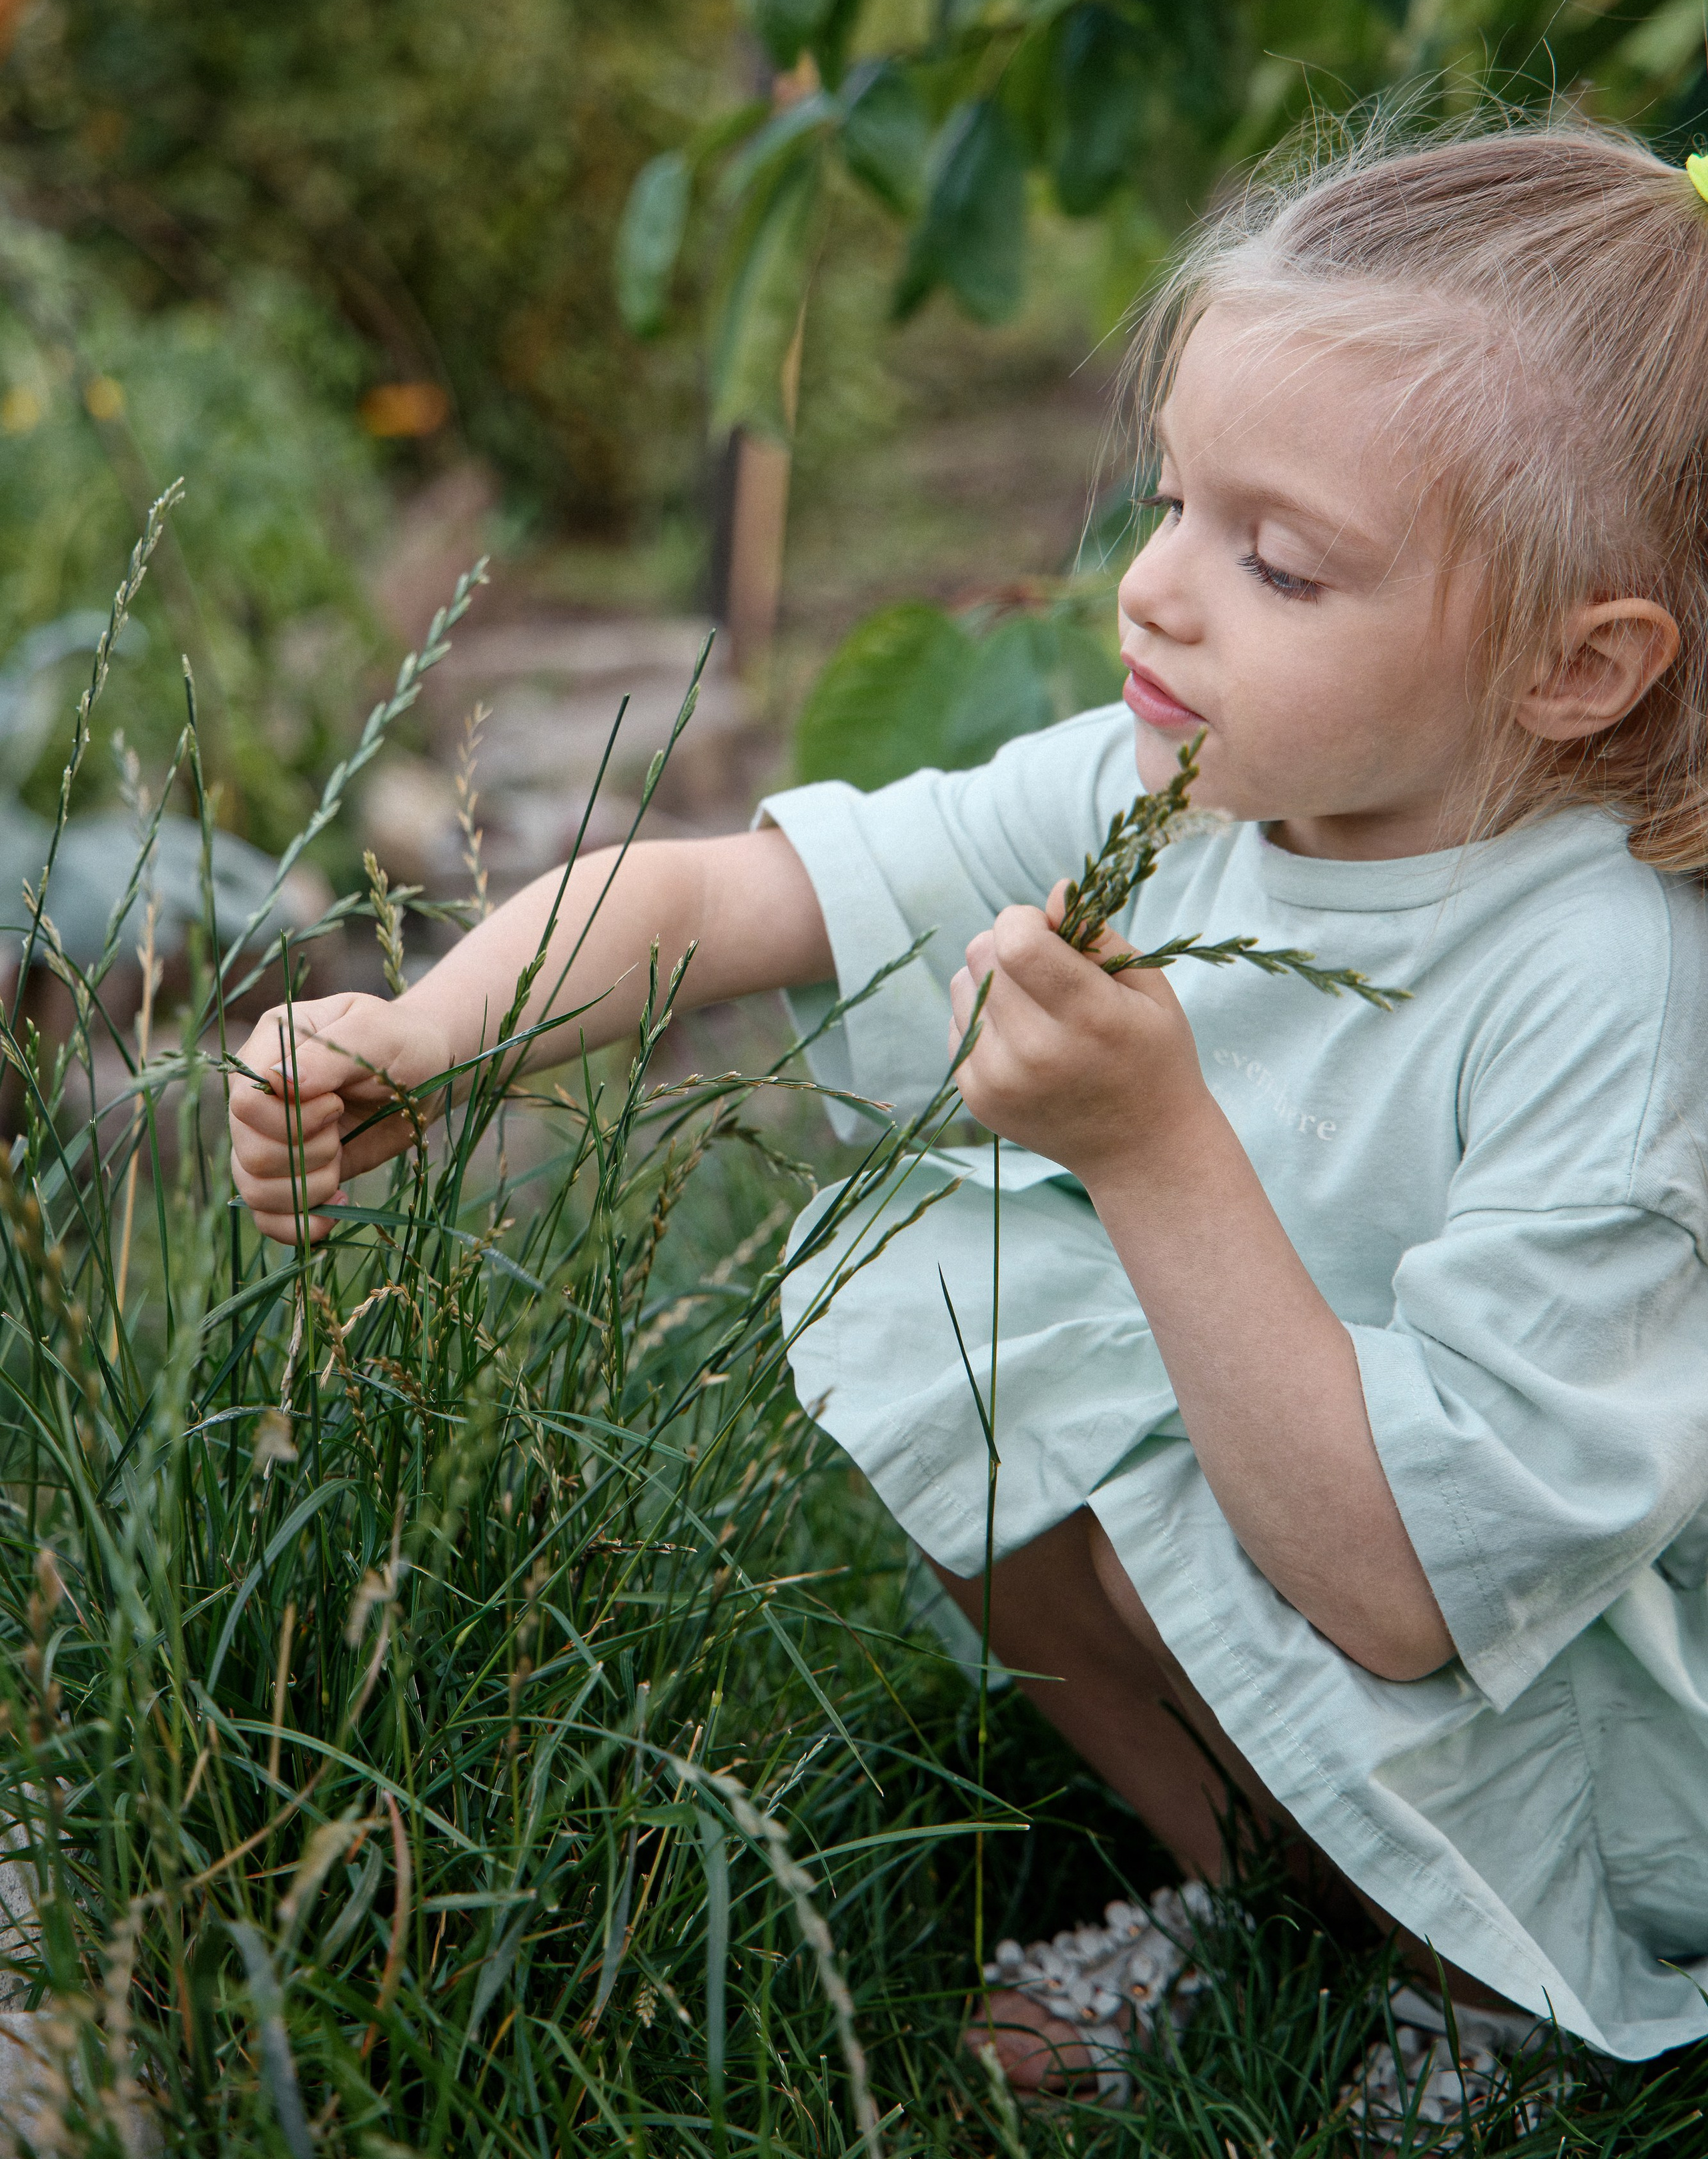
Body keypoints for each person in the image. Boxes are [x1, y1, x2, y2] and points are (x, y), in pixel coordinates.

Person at [230, 120, 1708, 2108]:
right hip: (1359, 1580)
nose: (1160, 592)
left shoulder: (1610, 980)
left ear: (1577, 663)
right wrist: (424, 1039)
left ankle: (1492, 1995)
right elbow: (713, 895)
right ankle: (1268, 1896)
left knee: (1053, 1253)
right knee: (934, 1265)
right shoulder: (1173, 785)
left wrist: (1150, 1137)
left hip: (1597, 1731)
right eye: (1172, 500)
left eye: (1278, 559)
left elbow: (1414, 1584)